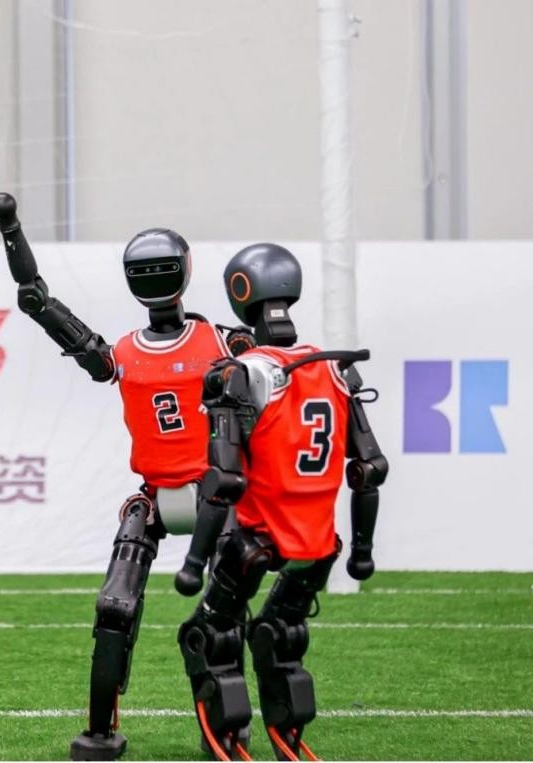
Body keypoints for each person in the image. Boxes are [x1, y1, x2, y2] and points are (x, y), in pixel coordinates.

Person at [0, 194, 253, 761]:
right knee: (116, 606)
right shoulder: (160, 348)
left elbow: (267, 368)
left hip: (217, 492)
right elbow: (85, 346)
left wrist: (39, 300)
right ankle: (101, 729)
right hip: (155, 495)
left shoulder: (220, 343)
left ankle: (228, 724)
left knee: (221, 612)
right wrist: (40, 303)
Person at [174, 243, 388, 761]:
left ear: (240, 291)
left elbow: (223, 480)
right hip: (319, 546)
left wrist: (195, 562)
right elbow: (369, 469)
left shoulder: (240, 373)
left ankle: (228, 742)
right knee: (281, 634)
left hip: (256, 539)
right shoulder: (335, 370)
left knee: (208, 634)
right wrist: (362, 550)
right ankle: (289, 738)